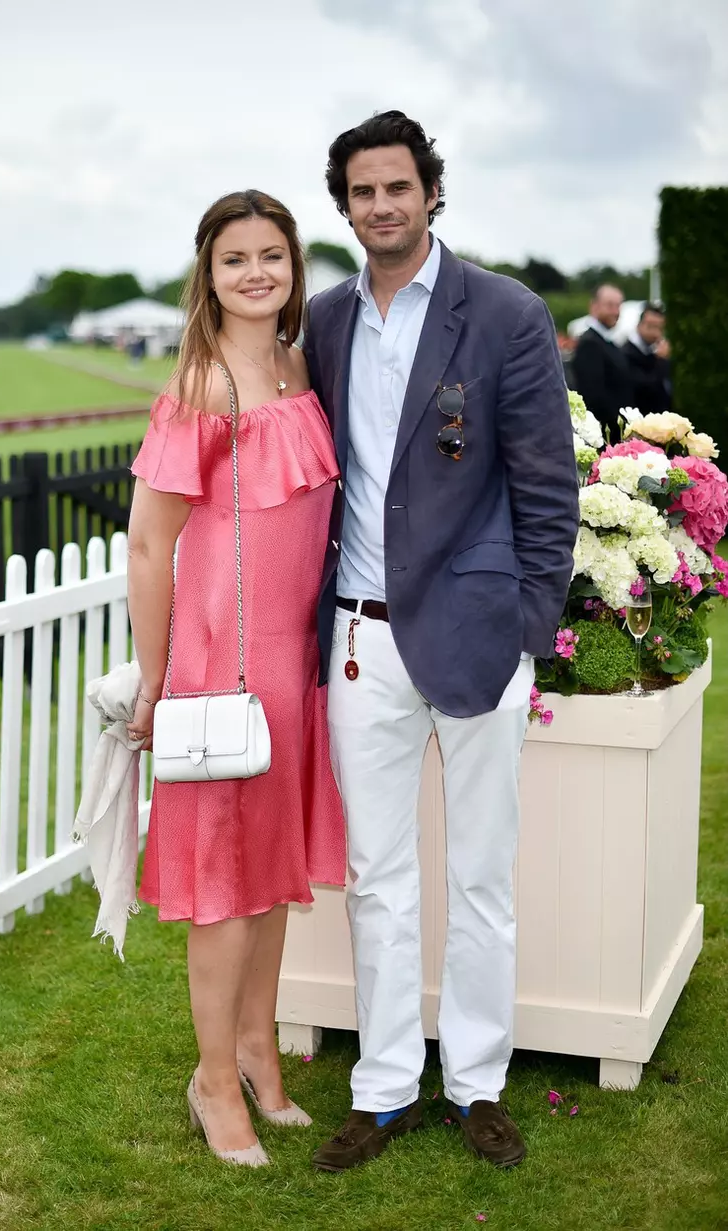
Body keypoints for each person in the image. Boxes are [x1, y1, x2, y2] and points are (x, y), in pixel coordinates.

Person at [304, 110, 580, 1172]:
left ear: (430, 193)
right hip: (360, 644)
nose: (381, 205)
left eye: (398, 187)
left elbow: (545, 488)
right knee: (375, 876)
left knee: (480, 877)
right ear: (344, 205)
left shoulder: (505, 313)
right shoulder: (323, 321)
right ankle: (380, 1091)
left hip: (476, 638)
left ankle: (474, 1082)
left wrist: (524, 628)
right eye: (362, 192)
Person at [125, 189, 346, 1167]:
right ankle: (213, 1080)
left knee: (269, 878)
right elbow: (146, 543)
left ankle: (257, 1050)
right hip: (221, 669)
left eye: (272, 255)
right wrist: (152, 679)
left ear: (293, 265)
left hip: (294, 666)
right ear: (206, 274)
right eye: (234, 258)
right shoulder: (205, 384)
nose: (256, 272)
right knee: (221, 887)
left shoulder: (296, 365)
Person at [570, 284, 632, 438]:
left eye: (618, 306)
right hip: (606, 435)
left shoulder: (607, 342)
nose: (616, 311)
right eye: (610, 305)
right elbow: (594, 396)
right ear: (594, 307)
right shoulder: (589, 344)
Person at [622, 301, 672, 414]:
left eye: (659, 328)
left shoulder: (655, 352)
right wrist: (662, 361)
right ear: (639, 325)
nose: (655, 333)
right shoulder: (627, 353)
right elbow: (645, 388)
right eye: (650, 326)